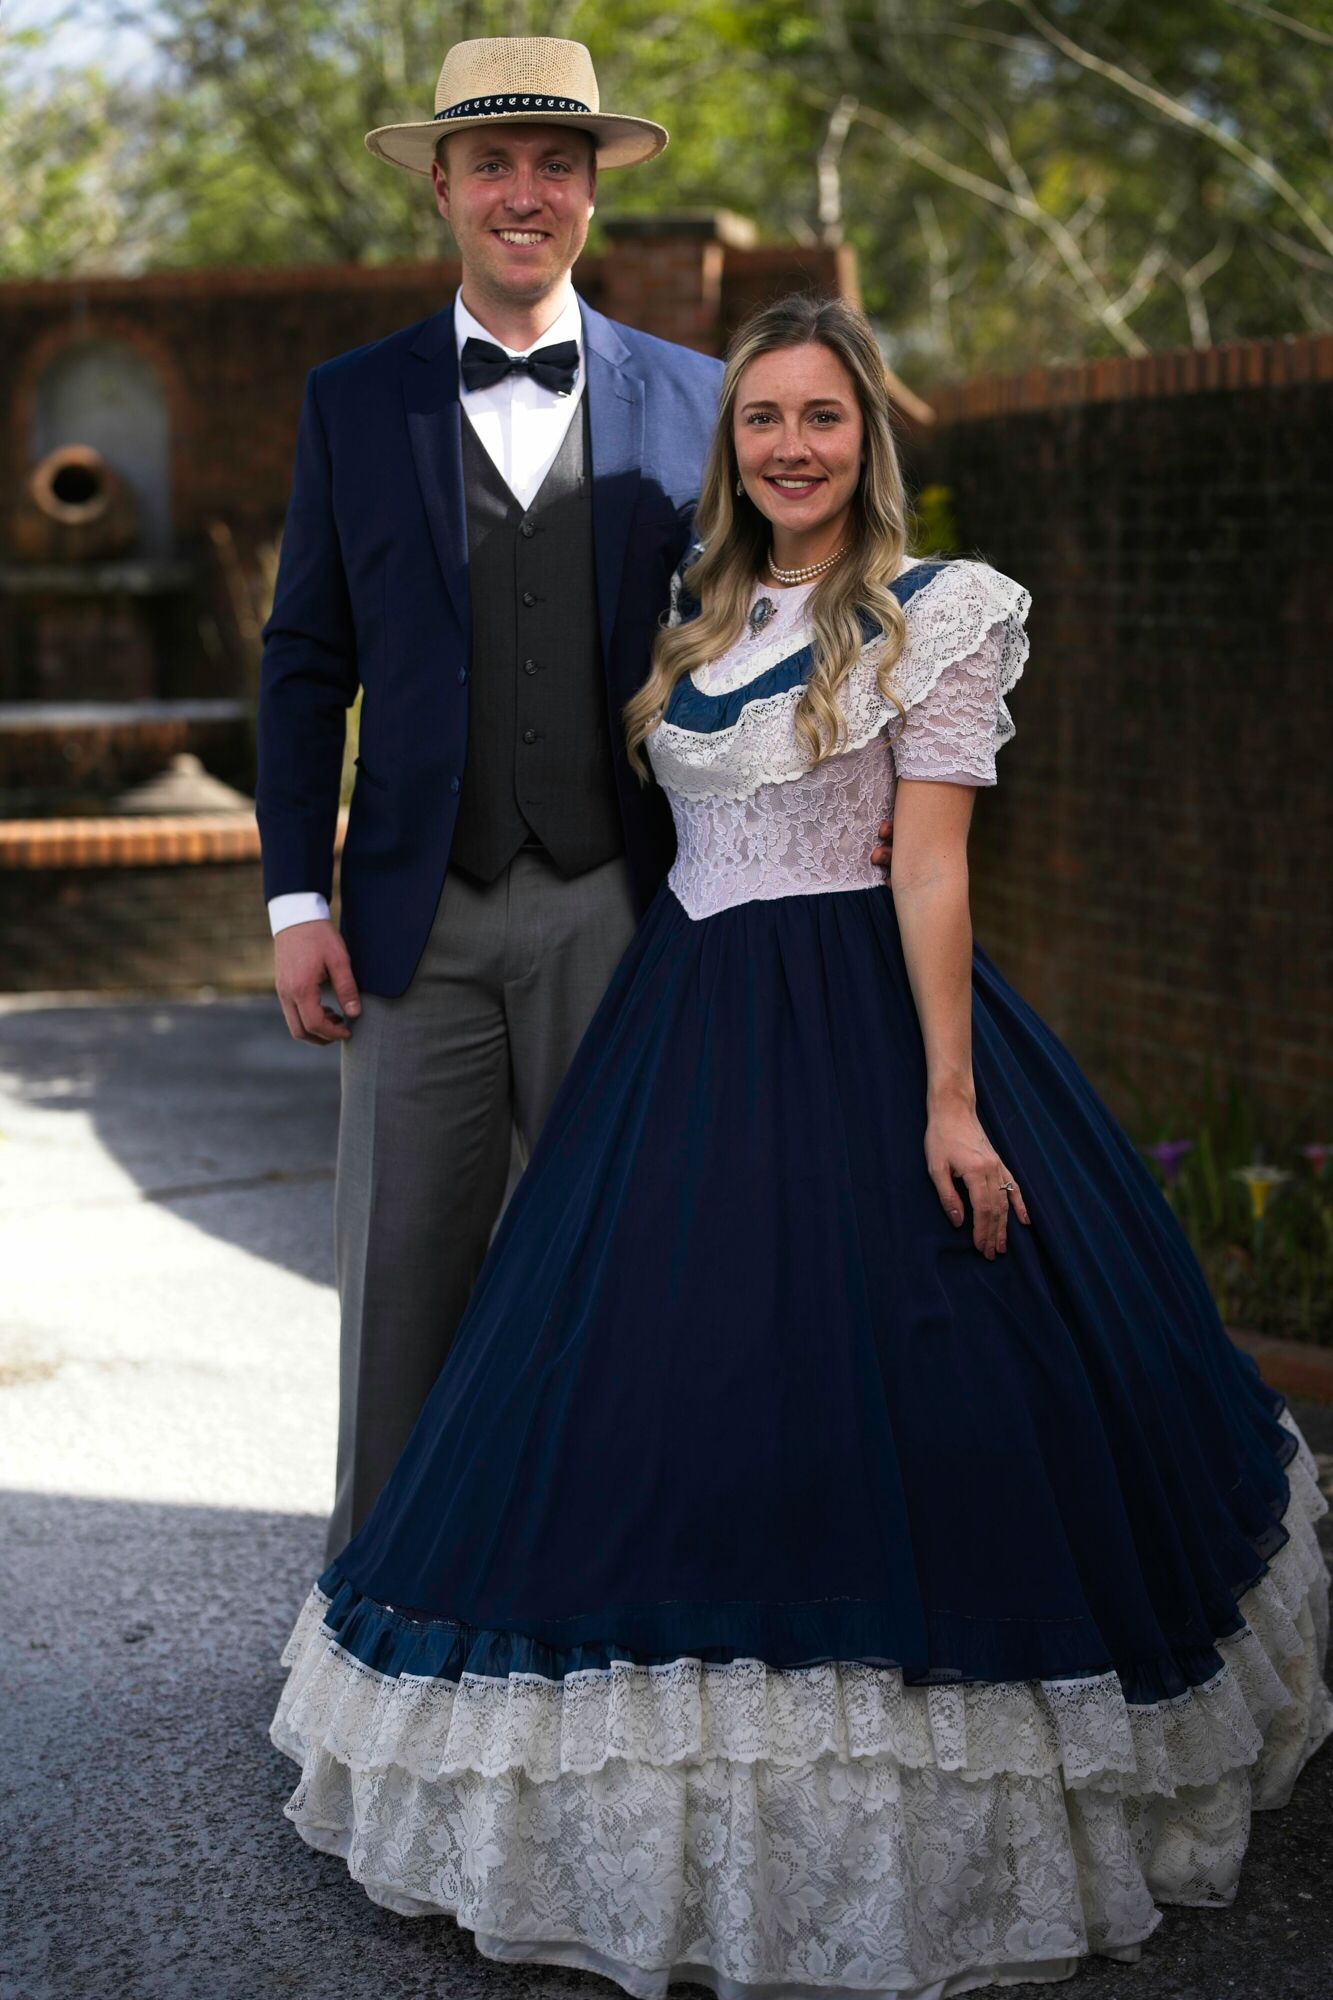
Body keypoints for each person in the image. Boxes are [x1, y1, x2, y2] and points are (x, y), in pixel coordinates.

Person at [271, 295, 1330, 1997]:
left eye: (820, 419)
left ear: (868, 440)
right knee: (654, 1378)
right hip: (677, 1024)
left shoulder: (931, 616)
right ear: (730, 444)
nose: (788, 446)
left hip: (847, 1018)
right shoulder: (694, 617)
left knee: (894, 1378)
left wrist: (948, 1095)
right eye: (761, 420)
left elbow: (929, 868)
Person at [255, 37, 726, 1556]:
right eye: (494, 164)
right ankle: (374, 1629)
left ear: (591, 193)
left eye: (556, 164)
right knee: (401, 1285)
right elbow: (303, 662)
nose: (525, 192)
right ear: (443, 189)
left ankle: (608, 1597)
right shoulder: (350, 402)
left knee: (630, 1273)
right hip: (411, 916)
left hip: (620, 902)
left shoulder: (699, 399)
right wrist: (293, 901)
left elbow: (751, 641)